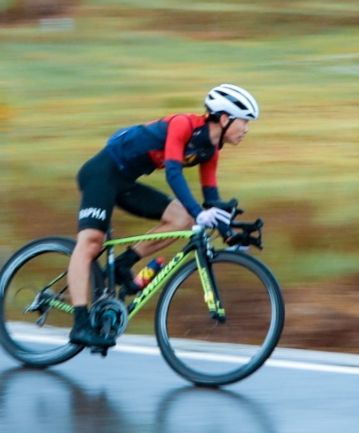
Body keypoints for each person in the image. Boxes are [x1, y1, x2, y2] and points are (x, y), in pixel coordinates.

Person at [67, 84, 259, 347]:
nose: (247, 129)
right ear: (225, 119)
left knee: (183, 220)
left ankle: (123, 263)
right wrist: (199, 213)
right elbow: (173, 173)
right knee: (91, 243)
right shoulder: (184, 125)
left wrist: (230, 235)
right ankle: (79, 324)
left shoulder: (211, 150)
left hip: (127, 183)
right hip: (102, 173)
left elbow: (211, 199)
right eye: (244, 122)